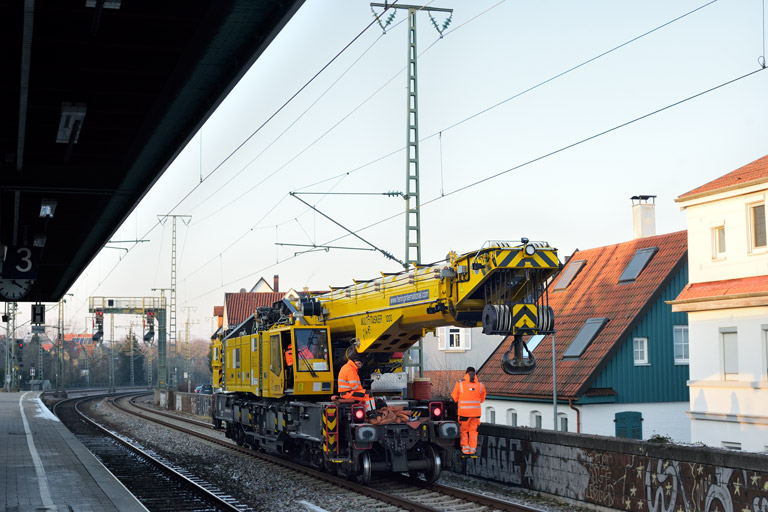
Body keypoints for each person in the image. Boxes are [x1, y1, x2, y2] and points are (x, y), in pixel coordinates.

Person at [451, 366, 486, 455]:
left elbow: (454, 398)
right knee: (473, 432)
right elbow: (482, 399)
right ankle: (472, 449)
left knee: (463, 431)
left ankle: (465, 450)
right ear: (475, 374)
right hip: (476, 414)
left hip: (464, 414)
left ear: (466, 373)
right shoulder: (480, 385)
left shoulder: (460, 384)